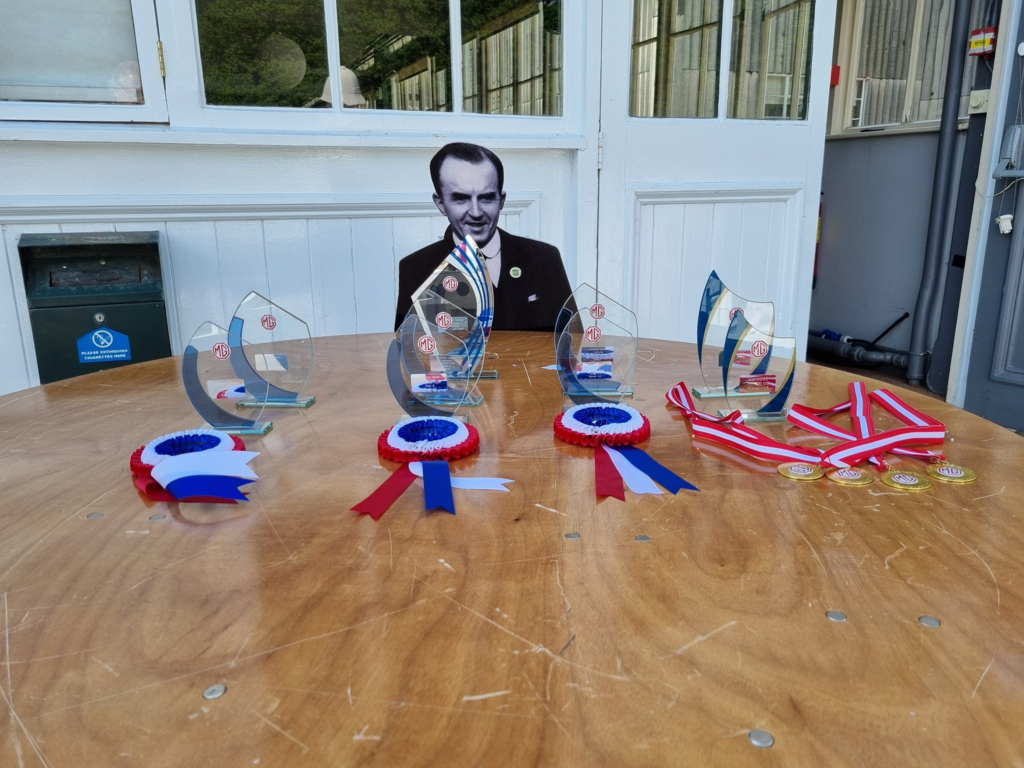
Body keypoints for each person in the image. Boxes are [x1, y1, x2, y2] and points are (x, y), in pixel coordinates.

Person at [394, 143, 573, 332]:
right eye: (461, 198)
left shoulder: (544, 258)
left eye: (486, 198)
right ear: (440, 204)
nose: (476, 212)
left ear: (501, 200)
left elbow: (571, 339)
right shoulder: (416, 268)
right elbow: (409, 345)